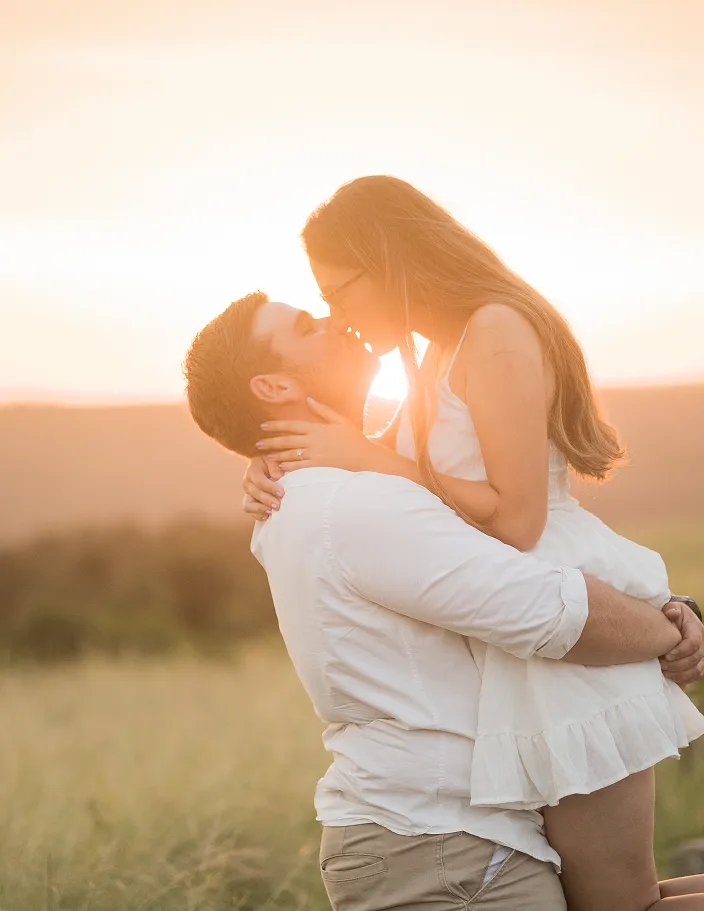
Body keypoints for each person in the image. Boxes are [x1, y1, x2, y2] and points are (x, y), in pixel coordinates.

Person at [242, 177, 704, 911]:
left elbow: (516, 521)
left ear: (387, 260)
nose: (340, 316)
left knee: (624, 907)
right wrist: (283, 461)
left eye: (339, 292)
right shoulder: (436, 354)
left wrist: (373, 460)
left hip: (570, 651)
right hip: (531, 656)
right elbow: (414, 499)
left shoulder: (494, 329)